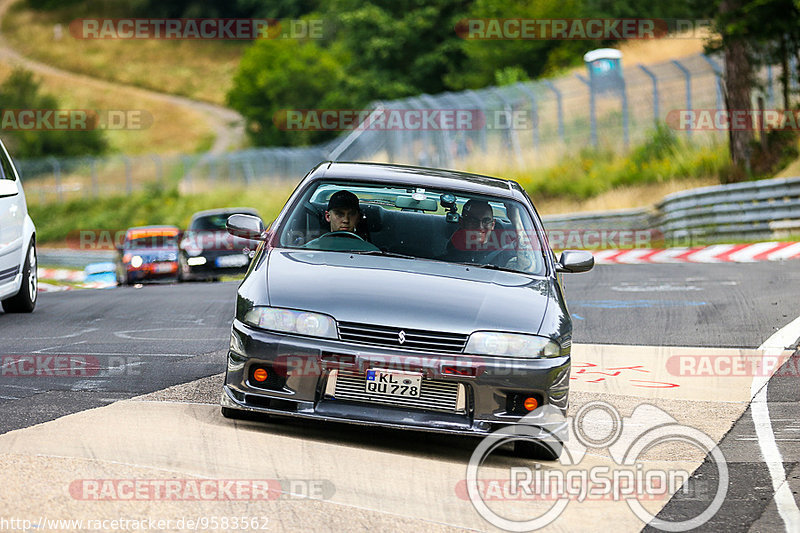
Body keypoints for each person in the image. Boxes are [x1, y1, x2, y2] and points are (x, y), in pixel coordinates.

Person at [441, 199, 514, 266]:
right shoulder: (450, 256)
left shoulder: (503, 254)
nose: (480, 227)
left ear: (493, 225)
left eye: (486, 221)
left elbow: (522, 268)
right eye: (473, 221)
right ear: (461, 222)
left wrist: (517, 222)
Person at [303, 190, 378, 251]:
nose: (346, 220)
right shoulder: (313, 249)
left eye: (351, 214)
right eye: (339, 214)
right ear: (328, 216)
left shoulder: (369, 251)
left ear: (358, 217)